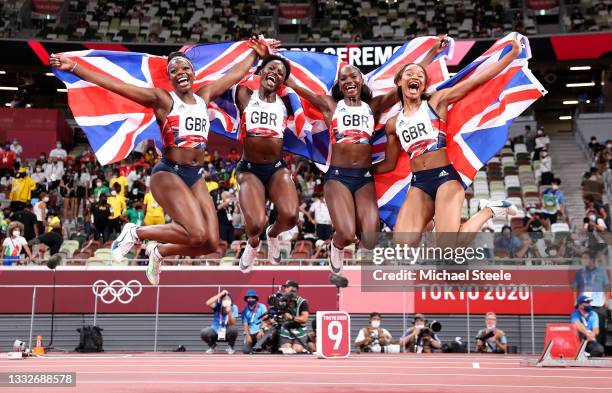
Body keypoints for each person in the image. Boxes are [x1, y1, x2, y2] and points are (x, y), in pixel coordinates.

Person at [50, 38, 271, 285]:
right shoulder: (163, 100)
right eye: (174, 70)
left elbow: (234, 74)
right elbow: (116, 85)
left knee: (209, 241)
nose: (180, 72)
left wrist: (256, 53)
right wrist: (75, 68)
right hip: (169, 174)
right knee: (195, 231)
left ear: (193, 72)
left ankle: (159, 252)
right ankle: (134, 232)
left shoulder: (204, 96)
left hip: (195, 176)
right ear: (170, 78)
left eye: (185, 68)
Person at [286, 37, 449, 273]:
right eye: (344, 78)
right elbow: (293, 83)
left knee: (371, 240)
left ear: (362, 80)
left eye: (354, 76)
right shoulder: (330, 105)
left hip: (364, 179)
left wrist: (432, 51)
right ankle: (336, 244)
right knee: (345, 232)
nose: (349, 80)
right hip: (338, 176)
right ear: (339, 85)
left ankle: (352, 245)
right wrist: (270, 59)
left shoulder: (373, 106)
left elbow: (407, 80)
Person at [373, 39, 521, 245]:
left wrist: (511, 57)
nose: (415, 77)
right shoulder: (392, 124)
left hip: (445, 179)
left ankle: (490, 210)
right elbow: (388, 164)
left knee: (447, 247)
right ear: (399, 82)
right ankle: (429, 223)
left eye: (420, 75)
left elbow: (476, 81)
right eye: (409, 74)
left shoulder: (436, 102)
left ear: (424, 84)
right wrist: (361, 170)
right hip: (419, 184)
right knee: (401, 243)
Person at [235, 54, 300, 272]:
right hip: (249, 169)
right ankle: (253, 243)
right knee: (254, 224)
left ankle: (272, 234)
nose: (275, 73)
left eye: (281, 73)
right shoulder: (245, 95)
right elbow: (237, 74)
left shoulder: (286, 104)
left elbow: (304, 98)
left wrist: (287, 78)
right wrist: (258, 55)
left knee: (291, 217)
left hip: (275, 168)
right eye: (271, 68)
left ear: (284, 82)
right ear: (261, 71)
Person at [574, 252, 610, 350]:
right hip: (584, 305)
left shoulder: (601, 271)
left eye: (586, 258)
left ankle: (600, 349)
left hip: (598, 303)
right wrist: (575, 301)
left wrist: (606, 299)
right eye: (582, 258)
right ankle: (584, 350)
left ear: (592, 260)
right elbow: (575, 287)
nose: (583, 260)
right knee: (583, 327)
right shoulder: (580, 272)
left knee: (600, 328)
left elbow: (607, 286)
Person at [200, 289, 239, 354]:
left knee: (234, 329)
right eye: (224, 299)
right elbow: (208, 303)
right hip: (215, 331)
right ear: (221, 301)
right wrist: (220, 294)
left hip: (227, 332)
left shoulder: (234, 307)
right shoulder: (217, 306)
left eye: (228, 299)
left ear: (231, 301)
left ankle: (230, 347)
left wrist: (229, 312)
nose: (226, 300)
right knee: (204, 332)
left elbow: (233, 323)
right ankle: (213, 346)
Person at [278, 280, 310, 353]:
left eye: (287, 287)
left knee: (297, 349)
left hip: (299, 329)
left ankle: (304, 347)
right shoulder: (282, 301)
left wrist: (292, 317)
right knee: (287, 350)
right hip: (286, 328)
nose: (285, 289)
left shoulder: (303, 302)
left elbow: (304, 319)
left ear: (293, 289)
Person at [240, 289, 267, 354]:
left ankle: (263, 348)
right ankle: (254, 347)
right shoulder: (244, 311)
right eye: (249, 298)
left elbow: (266, 319)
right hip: (251, 333)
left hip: (259, 331)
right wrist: (247, 335)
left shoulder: (262, 306)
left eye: (252, 298)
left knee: (262, 335)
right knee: (245, 350)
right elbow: (245, 324)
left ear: (256, 299)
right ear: (246, 299)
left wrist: (261, 330)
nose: (250, 299)